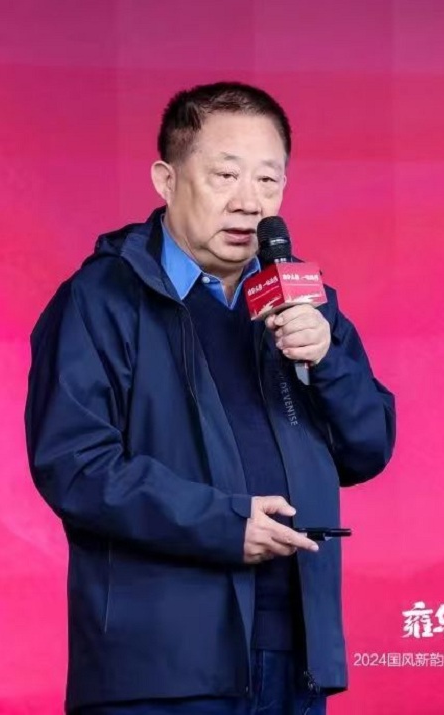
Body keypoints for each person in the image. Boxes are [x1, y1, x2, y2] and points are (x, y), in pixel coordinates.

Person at [25, 81, 396, 714]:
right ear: (166, 180)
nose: (249, 202)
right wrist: (224, 526)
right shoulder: (102, 299)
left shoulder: (302, 301)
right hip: (161, 668)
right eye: (225, 175)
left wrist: (327, 359)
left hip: (294, 659)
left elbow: (368, 448)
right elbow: (75, 466)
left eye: (268, 181)